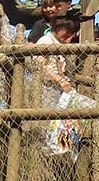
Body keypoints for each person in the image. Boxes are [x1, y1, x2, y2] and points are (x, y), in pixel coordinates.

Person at [35, 17, 93, 155]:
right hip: (48, 87)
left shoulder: (57, 44)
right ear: (60, 29)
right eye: (68, 33)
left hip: (60, 89)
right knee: (53, 120)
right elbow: (39, 65)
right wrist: (59, 80)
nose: (68, 37)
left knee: (69, 117)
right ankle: (55, 150)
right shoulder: (46, 41)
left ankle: (64, 148)